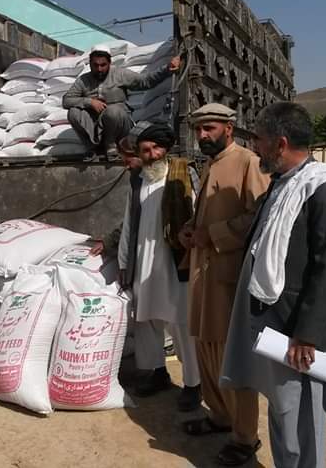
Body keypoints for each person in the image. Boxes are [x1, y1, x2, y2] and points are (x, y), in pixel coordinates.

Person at [220, 102, 326, 467]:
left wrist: (308, 334)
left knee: (303, 419)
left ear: (280, 143)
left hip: (300, 331)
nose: (255, 148)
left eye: (259, 139)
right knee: (284, 414)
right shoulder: (283, 184)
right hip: (278, 321)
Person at [178, 103, 269, 466]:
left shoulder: (248, 162)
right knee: (206, 350)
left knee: (232, 359)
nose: (202, 135)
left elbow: (258, 216)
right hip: (204, 274)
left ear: (229, 128)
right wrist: (190, 230)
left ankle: (245, 438)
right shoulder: (211, 164)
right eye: (199, 129)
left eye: (210, 129)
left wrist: (212, 235)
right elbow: (207, 215)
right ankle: (218, 416)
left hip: (228, 277)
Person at [118, 121, 201, 411]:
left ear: (165, 149)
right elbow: (130, 221)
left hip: (174, 260)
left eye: (156, 148)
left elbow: (199, 212)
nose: (151, 154)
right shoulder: (138, 180)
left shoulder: (182, 173)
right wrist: (125, 260)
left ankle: (193, 383)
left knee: (181, 322)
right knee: (147, 320)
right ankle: (157, 373)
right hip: (144, 260)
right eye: (145, 150)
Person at [63, 44, 181, 160]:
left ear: (109, 63)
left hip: (120, 126)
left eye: (103, 65)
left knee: (112, 111)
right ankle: (91, 147)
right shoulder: (84, 80)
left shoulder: (120, 74)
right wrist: (90, 102)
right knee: (73, 112)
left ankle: (111, 146)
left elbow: (145, 81)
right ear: (90, 64)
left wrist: (166, 69)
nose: (99, 69)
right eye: (95, 65)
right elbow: (67, 100)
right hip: (96, 127)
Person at [89, 136, 142, 258]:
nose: (127, 167)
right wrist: (107, 242)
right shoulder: (136, 179)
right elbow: (131, 219)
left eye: (128, 162)